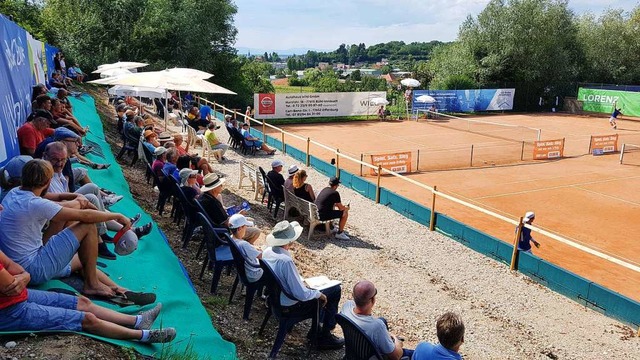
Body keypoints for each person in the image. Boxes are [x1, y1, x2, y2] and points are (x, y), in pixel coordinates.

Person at [0, 159, 139, 298]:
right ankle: (92, 284)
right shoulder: (35, 203)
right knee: (88, 226)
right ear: (48, 182)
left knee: (82, 260)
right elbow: (85, 216)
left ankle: (118, 288)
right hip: (33, 269)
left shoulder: (16, 192)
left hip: (17, 263)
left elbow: (58, 197)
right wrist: (118, 215)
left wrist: (77, 197)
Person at [0, 247, 175, 343]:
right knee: (87, 319)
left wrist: (23, 276)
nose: (2, 207)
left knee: (82, 302)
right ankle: (143, 336)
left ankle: (136, 321)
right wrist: (22, 276)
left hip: (20, 294)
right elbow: (11, 284)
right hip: (8, 311)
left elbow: (14, 268)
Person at [262, 220, 345, 350]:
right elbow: (300, 294)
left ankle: (318, 327)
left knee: (321, 292)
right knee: (334, 290)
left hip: (275, 298)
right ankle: (324, 335)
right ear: (290, 241)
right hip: (289, 305)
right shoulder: (286, 261)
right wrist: (318, 294)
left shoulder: (267, 251)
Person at [340, 280, 413, 359]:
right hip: (371, 357)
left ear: (353, 296)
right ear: (372, 300)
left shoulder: (346, 306)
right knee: (413, 353)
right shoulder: (376, 326)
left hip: (354, 351)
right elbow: (396, 356)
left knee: (382, 320)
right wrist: (396, 341)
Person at [198, 173, 261, 244]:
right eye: (220, 185)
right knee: (256, 232)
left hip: (213, 228)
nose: (222, 186)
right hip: (224, 232)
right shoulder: (213, 203)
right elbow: (228, 223)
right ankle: (241, 248)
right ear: (214, 189)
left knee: (250, 220)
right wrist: (238, 215)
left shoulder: (203, 197)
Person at [228, 214, 263, 283]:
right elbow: (261, 256)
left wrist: (253, 249)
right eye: (245, 227)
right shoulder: (243, 244)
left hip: (243, 270)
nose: (246, 229)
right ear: (239, 229)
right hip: (253, 274)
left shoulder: (231, 237)